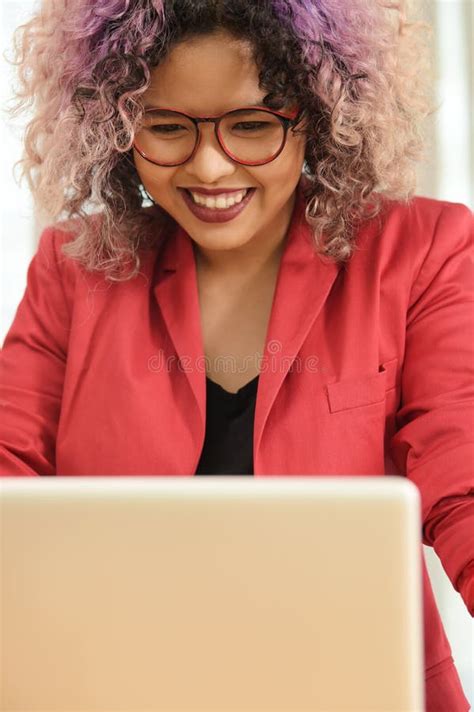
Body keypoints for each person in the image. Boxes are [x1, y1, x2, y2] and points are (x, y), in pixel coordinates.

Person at [1, 0, 473, 708]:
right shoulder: (73, 270)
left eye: (251, 126)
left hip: (352, 687)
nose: (210, 166)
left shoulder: (421, 253)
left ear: (317, 112)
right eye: (166, 128)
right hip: (112, 685)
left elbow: (461, 477)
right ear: (118, 127)